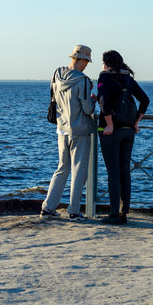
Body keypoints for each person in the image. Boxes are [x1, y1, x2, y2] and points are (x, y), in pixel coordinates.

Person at [41, 45, 96, 222]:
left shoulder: (57, 73)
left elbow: (53, 99)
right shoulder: (83, 81)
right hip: (79, 129)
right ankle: (73, 210)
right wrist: (93, 100)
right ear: (80, 59)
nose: (87, 64)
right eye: (86, 61)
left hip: (61, 127)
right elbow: (88, 109)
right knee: (79, 171)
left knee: (61, 168)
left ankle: (48, 207)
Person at [97, 50, 149, 224]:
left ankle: (113, 215)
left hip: (111, 132)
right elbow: (145, 100)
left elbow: (104, 102)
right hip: (128, 131)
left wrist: (109, 124)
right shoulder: (128, 78)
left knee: (113, 172)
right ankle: (123, 213)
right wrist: (136, 122)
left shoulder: (104, 77)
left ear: (106, 63)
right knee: (125, 172)